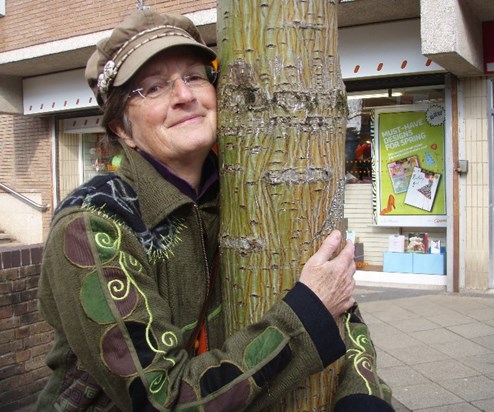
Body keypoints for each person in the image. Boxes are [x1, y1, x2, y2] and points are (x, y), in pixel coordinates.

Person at [37, 9, 393, 411]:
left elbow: (334, 295)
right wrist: (305, 317)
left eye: (192, 76)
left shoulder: (249, 193)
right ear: (121, 128)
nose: (184, 95)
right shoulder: (93, 227)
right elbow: (162, 400)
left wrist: (364, 394)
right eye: (153, 88)